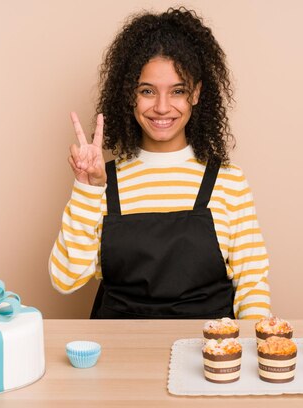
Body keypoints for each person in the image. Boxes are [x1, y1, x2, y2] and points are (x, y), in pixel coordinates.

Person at [49, 7, 270, 319]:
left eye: (177, 91)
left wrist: (246, 353)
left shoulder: (228, 182)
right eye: (147, 91)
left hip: (209, 356)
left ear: (195, 93)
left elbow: (253, 284)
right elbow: (64, 280)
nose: (162, 107)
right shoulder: (103, 182)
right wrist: (87, 189)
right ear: (129, 95)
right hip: (119, 356)